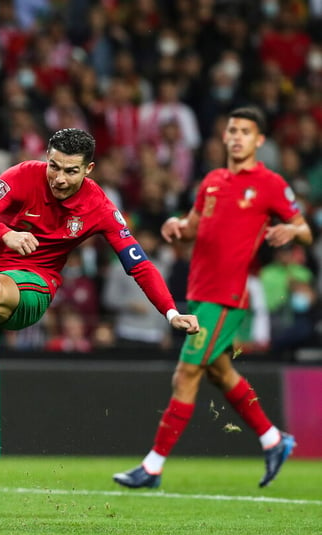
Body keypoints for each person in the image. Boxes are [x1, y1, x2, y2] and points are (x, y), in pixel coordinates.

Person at [0, 128, 200, 525]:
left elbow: (137, 263)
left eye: (71, 171)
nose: (58, 177)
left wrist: (170, 312)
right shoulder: (24, 175)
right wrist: (6, 233)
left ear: (88, 170)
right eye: (54, 166)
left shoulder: (100, 207)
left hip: (34, 285)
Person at [113, 106, 313, 491]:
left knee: (186, 373)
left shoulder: (269, 183)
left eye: (245, 131)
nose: (237, 137)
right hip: (199, 292)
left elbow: (304, 229)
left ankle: (152, 466)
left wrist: (291, 230)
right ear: (224, 137)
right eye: (232, 130)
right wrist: (176, 226)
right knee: (220, 373)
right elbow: (192, 227)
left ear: (260, 140)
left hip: (227, 296)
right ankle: (274, 440)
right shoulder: (212, 182)